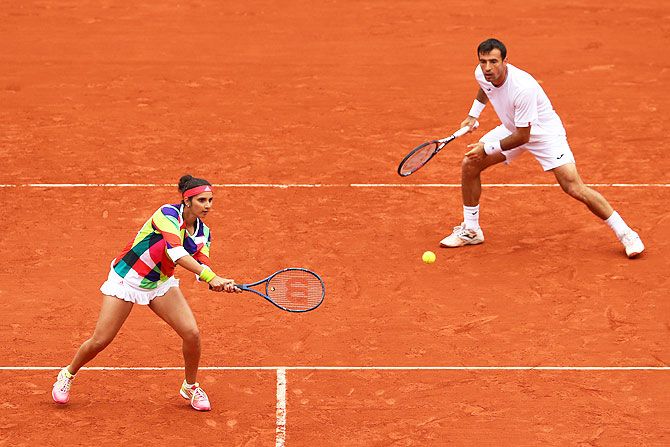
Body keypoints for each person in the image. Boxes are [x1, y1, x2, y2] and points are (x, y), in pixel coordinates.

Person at [439, 38, 644, 258]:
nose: (488, 68)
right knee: (470, 163)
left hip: (544, 134)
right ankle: (471, 230)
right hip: (513, 128)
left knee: (573, 186)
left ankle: (627, 233)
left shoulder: (522, 87)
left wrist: (487, 148)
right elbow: (485, 88)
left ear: (506, 61)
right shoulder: (482, 73)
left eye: (493, 62)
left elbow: (523, 137)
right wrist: (472, 115)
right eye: (483, 62)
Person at [52, 174, 241, 411]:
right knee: (101, 340)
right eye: (202, 200)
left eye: (211, 200)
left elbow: (200, 265)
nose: (208, 206)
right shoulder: (167, 215)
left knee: (192, 333)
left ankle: (190, 386)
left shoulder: (203, 232)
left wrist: (219, 283)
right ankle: (67, 374)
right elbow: (176, 253)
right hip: (127, 279)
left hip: (159, 284)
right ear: (187, 200)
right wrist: (212, 277)